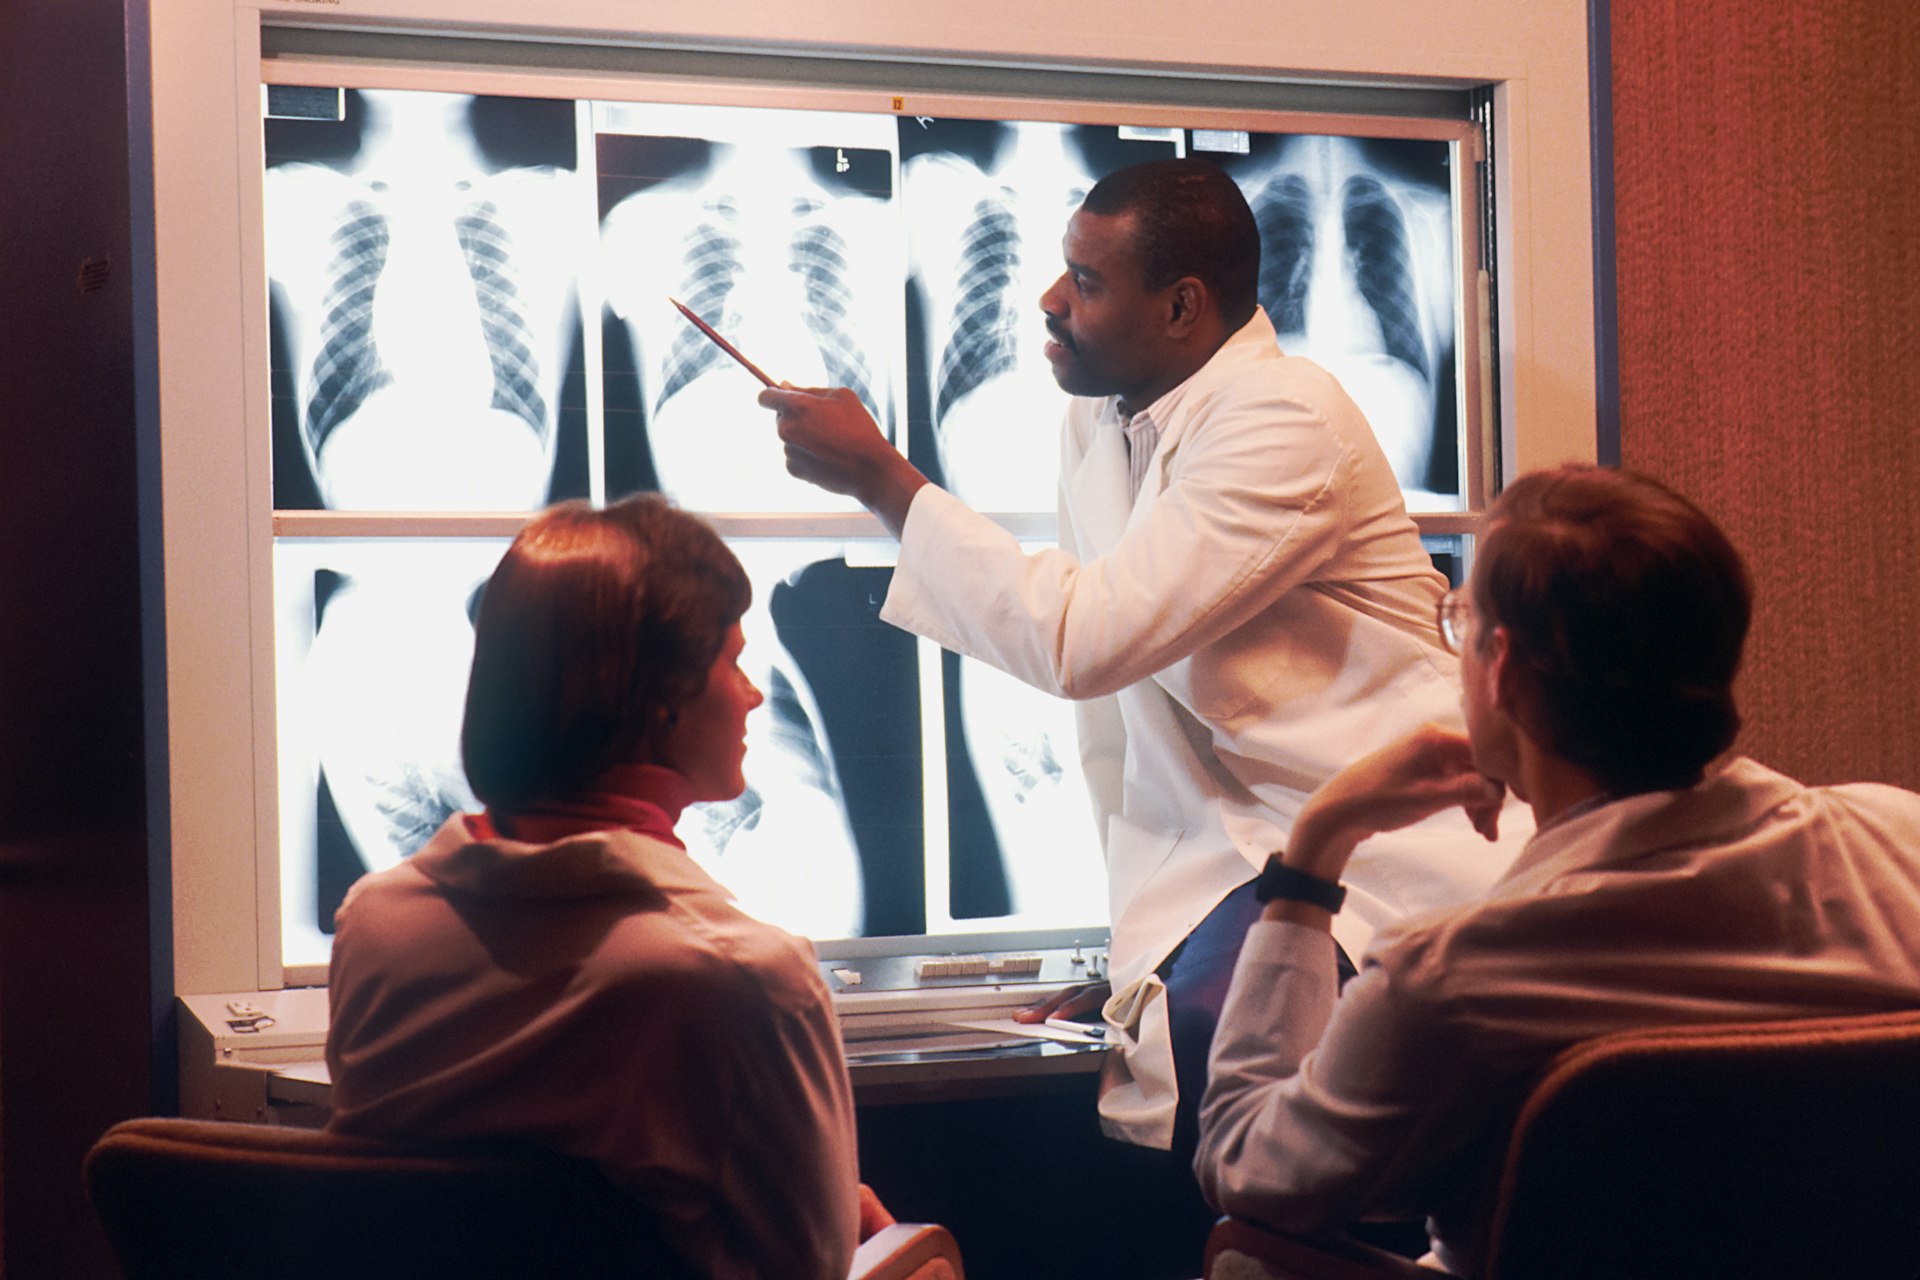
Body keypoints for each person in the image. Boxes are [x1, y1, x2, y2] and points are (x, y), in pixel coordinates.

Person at [760, 157, 1528, 1157]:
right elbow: (1118, 727)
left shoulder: (1285, 418)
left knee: (1265, 1120)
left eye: (1085, 282)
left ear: (1182, 308)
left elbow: (1088, 640)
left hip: (1386, 861)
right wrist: (1140, 949)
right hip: (1242, 864)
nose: (1047, 300)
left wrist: (884, 481)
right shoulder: (1101, 418)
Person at [1194, 464, 1920, 1276]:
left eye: (1462, 620)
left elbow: (1249, 1171)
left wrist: (1314, 850)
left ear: (1499, 666)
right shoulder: (1902, 843)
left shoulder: (1454, 979)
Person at [324, 494, 891, 1280]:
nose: (754, 694)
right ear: (661, 702)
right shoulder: (746, 980)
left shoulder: (376, 929)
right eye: (732, 661)